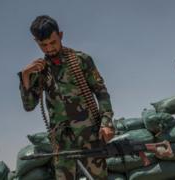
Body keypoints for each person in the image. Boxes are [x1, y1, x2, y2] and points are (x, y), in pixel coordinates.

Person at [18, 15, 114, 180]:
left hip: (89, 135)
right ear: (36, 42)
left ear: (60, 35)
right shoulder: (40, 70)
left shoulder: (81, 60)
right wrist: (25, 76)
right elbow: (29, 105)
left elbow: (101, 92)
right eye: (43, 45)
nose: (49, 49)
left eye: (53, 42)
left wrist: (106, 123)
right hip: (62, 142)